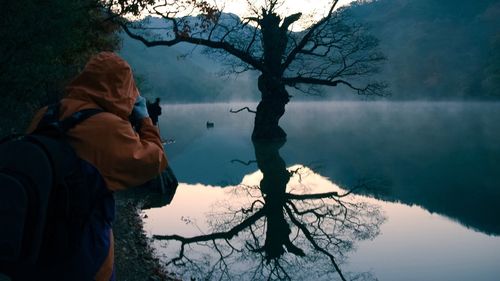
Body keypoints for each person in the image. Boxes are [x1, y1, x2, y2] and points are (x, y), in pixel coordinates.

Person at [26, 52, 168, 281]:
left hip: (32, 243)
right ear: (124, 88)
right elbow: (155, 160)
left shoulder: (45, 114)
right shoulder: (109, 127)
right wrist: (144, 119)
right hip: (83, 251)